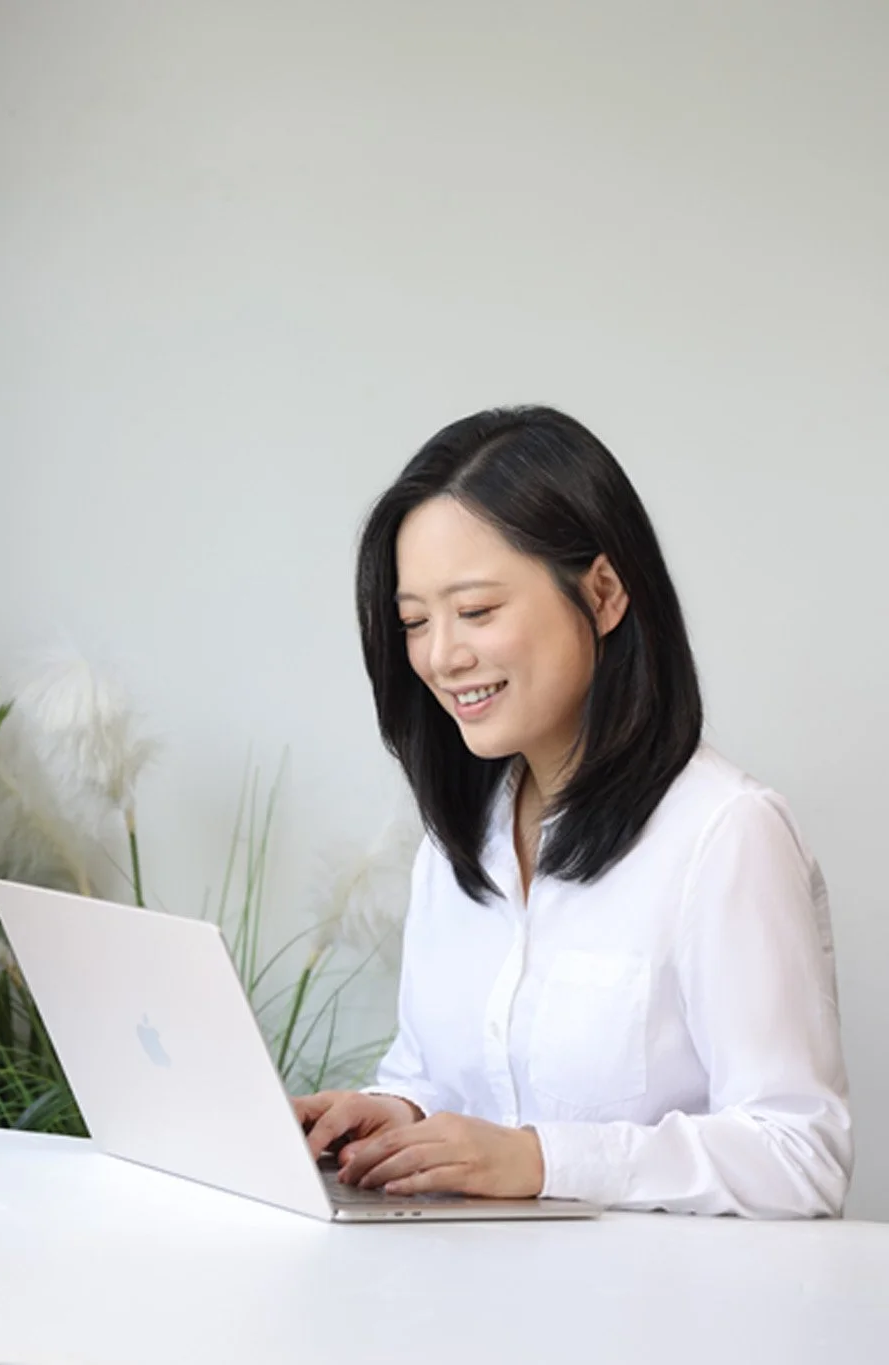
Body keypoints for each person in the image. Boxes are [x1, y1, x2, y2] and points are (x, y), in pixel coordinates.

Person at [293, 405, 852, 1217]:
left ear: (603, 592)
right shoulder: (458, 842)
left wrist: (539, 1157)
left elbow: (800, 1157)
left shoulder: (723, 833)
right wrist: (396, 1115)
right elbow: (438, 1071)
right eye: (415, 620)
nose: (441, 655)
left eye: (477, 610)